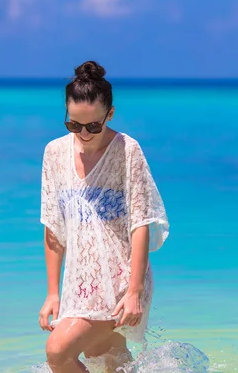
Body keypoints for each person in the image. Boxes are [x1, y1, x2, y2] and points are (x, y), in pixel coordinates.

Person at [38, 60, 169, 372]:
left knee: (58, 352)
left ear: (109, 114)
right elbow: (53, 229)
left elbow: (141, 224)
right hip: (78, 283)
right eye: (74, 125)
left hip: (121, 280)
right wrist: (52, 293)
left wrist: (135, 291)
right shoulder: (54, 153)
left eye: (93, 126)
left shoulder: (127, 150)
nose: (84, 134)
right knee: (107, 361)